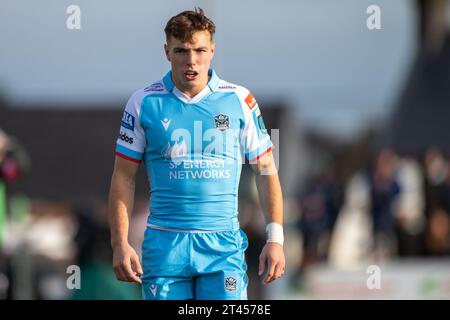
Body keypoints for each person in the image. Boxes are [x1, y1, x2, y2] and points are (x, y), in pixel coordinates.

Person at [108, 8, 285, 300]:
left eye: (200, 50)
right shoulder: (144, 102)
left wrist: (275, 239)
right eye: (181, 51)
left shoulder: (240, 99)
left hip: (222, 247)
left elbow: (266, 169)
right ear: (167, 52)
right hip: (165, 247)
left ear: (212, 50)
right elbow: (123, 176)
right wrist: (119, 243)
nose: (191, 60)